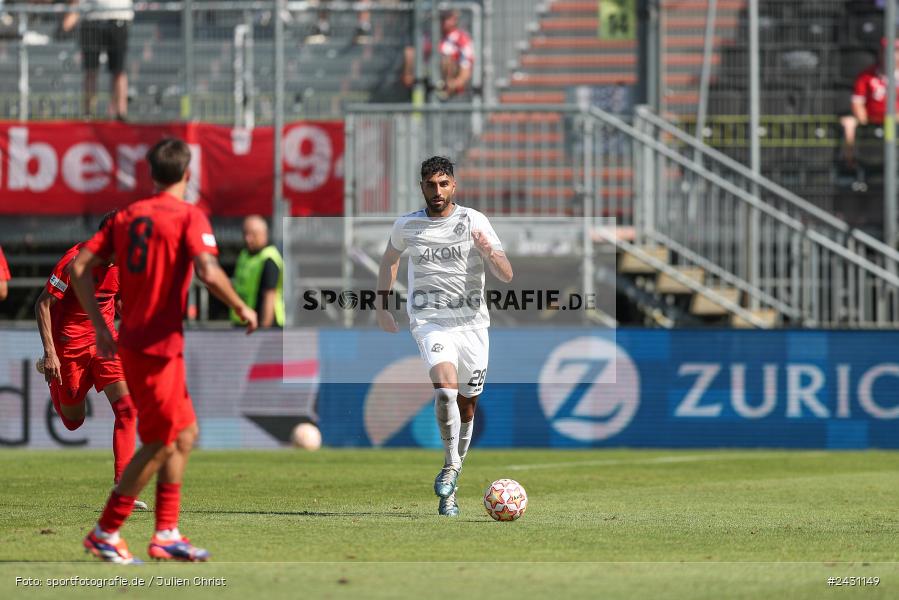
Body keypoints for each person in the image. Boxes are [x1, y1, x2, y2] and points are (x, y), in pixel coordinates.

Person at [71, 138, 258, 564]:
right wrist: (241, 306)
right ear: (187, 175)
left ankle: (167, 533)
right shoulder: (189, 215)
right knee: (159, 441)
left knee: (185, 434)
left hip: (151, 345)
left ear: (151, 175)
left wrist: (101, 328)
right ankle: (106, 531)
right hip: (153, 347)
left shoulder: (127, 216)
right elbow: (208, 271)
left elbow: (80, 266)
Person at [376, 156, 512, 517]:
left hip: (472, 325)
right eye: (430, 184)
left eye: (443, 184)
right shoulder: (407, 225)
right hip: (430, 321)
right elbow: (390, 259)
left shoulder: (473, 221)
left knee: (467, 404)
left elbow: (506, 273)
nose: (437, 191)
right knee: (445, 389)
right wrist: (382, 306)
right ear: (421, 186)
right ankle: (450, 466)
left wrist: (488, 251)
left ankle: (453, 476)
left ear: (454, 185)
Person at [34, 212, 146, 510]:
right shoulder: (74, 262)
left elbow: (116, 298)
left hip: (105, 342)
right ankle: (52, 379)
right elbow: (43, 304)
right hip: (69, 346)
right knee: (73, 421)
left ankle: (124, 487)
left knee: (127, 408)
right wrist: (50, 353)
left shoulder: (123, 263)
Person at [60, 0, 133, 120]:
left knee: (119, 71)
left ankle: (120, 113)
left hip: (119, 17)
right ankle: (88, 114)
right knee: (91, 71)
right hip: (91, 19)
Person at [845, 38, 899, 166]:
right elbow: (858, 103)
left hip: (894, 120)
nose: (892, 55)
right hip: (871, 120)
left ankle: (892, 164)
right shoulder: (866, 75)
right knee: (848, 124)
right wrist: (863, 119)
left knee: (892, 122)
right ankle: (851, 166)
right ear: (880, 53)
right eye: (887, 51)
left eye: (896, 51)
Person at [402, 9, 475, 99]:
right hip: (428, 73)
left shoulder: (462, 39)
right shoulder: (428, 36)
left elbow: (466, 68)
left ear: (455, 19)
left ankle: (441, 91)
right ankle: (418, 88)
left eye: (447, 18)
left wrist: (455, 83)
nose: (444, 21)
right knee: (410, 52)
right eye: (441, 18)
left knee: (446, 59)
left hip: (449, 79)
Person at [231, 215, 285, 329]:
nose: (248, 239)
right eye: (245, 234)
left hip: (263, 325)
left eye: (253, 235)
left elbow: (269, 296)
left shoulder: (269, 258)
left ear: (264, 234)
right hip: (244, 322)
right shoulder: (244, 255)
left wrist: (264, 329)